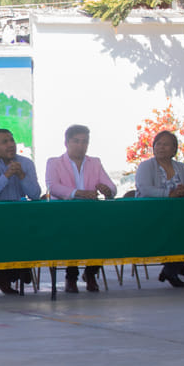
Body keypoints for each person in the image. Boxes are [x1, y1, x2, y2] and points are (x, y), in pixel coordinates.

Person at [43, 123, 115, 294]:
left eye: (85, 142)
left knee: (103, 234)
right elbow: (53, 187)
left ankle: (90, 274)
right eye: (76, 141)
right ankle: (71, 277)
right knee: (71, 236)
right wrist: (77, 193)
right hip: (63, 216)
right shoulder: (54, 163)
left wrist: (108, 190)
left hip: (91, 215)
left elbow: (111, 186)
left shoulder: (95, 162)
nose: (81, 145)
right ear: (66, 142)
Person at [0, 127, 42, 295]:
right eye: (5, 142)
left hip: (19, 216)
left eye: (12, 140)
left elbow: (35, 194)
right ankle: (11, 273)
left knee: (36, 231)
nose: (11, 145)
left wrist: (21, 176)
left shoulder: (26, 163)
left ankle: (14, 272)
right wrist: (5, 176)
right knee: (10, 236)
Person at [133, 130, 184, 288]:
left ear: (174, 149)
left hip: (178, 216)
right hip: (150, 216)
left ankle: (171, 269)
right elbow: (145, 189)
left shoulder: (181, 167)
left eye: (166, 144)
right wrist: (169, 194)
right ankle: (173, 268)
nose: (161, 147)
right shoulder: (145, 166)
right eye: (158, 144)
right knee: (173, 230)